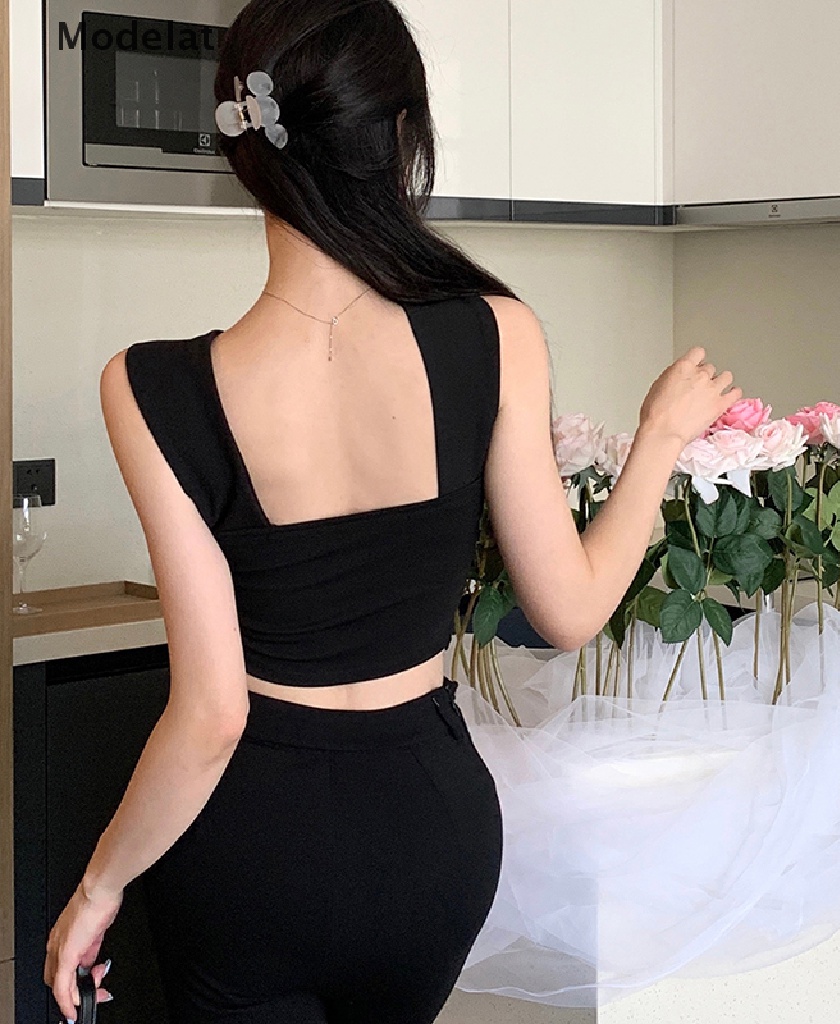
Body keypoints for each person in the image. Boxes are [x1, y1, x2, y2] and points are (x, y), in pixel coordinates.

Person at [42, 1, 742, 1021]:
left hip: (250, 847)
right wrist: (661, 438)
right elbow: (571, 609)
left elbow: (211, 717)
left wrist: (98, 888)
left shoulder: (147, 386)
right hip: (428, 834)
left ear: (242, 142)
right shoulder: (495, 332)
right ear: (402, 137)